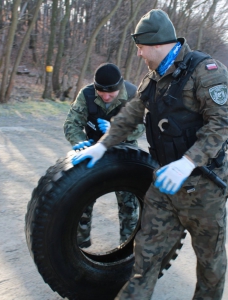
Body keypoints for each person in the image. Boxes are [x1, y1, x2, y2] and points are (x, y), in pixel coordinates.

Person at [70, 9, 228, 300]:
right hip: (165, 185)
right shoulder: (154, 79)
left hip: (203, 189)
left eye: (140, 47)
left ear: (157, 44)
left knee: (209, 262)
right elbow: (131, 115)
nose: (138, 54)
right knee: (145, 256)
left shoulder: (205, 71)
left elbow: (220, 125)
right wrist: (102, 145)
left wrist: (188, 163)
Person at [63, 63, 145, 247]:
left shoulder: (133, 94)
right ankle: (80, 245)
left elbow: (142, 126)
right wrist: (79, 142)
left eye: (111, 93)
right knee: (82, 196)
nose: (106, 97)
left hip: (124, 151)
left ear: (120, 87)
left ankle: (127, 248)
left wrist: (118, 131)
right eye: (101, 92)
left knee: (128, 204)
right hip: (91, 148)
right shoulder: (87, 94)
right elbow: (71, 124)